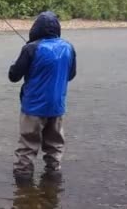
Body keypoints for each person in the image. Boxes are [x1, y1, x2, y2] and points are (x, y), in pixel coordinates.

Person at [8, 11, 76, 180]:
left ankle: (23, 190)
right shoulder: (68, 47)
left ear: (36, 28)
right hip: (57, 107)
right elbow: (71, 74)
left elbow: (14, 76)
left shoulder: (30, 48)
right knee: (55, 147)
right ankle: (52, 184)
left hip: (33, 107)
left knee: (27, 146)